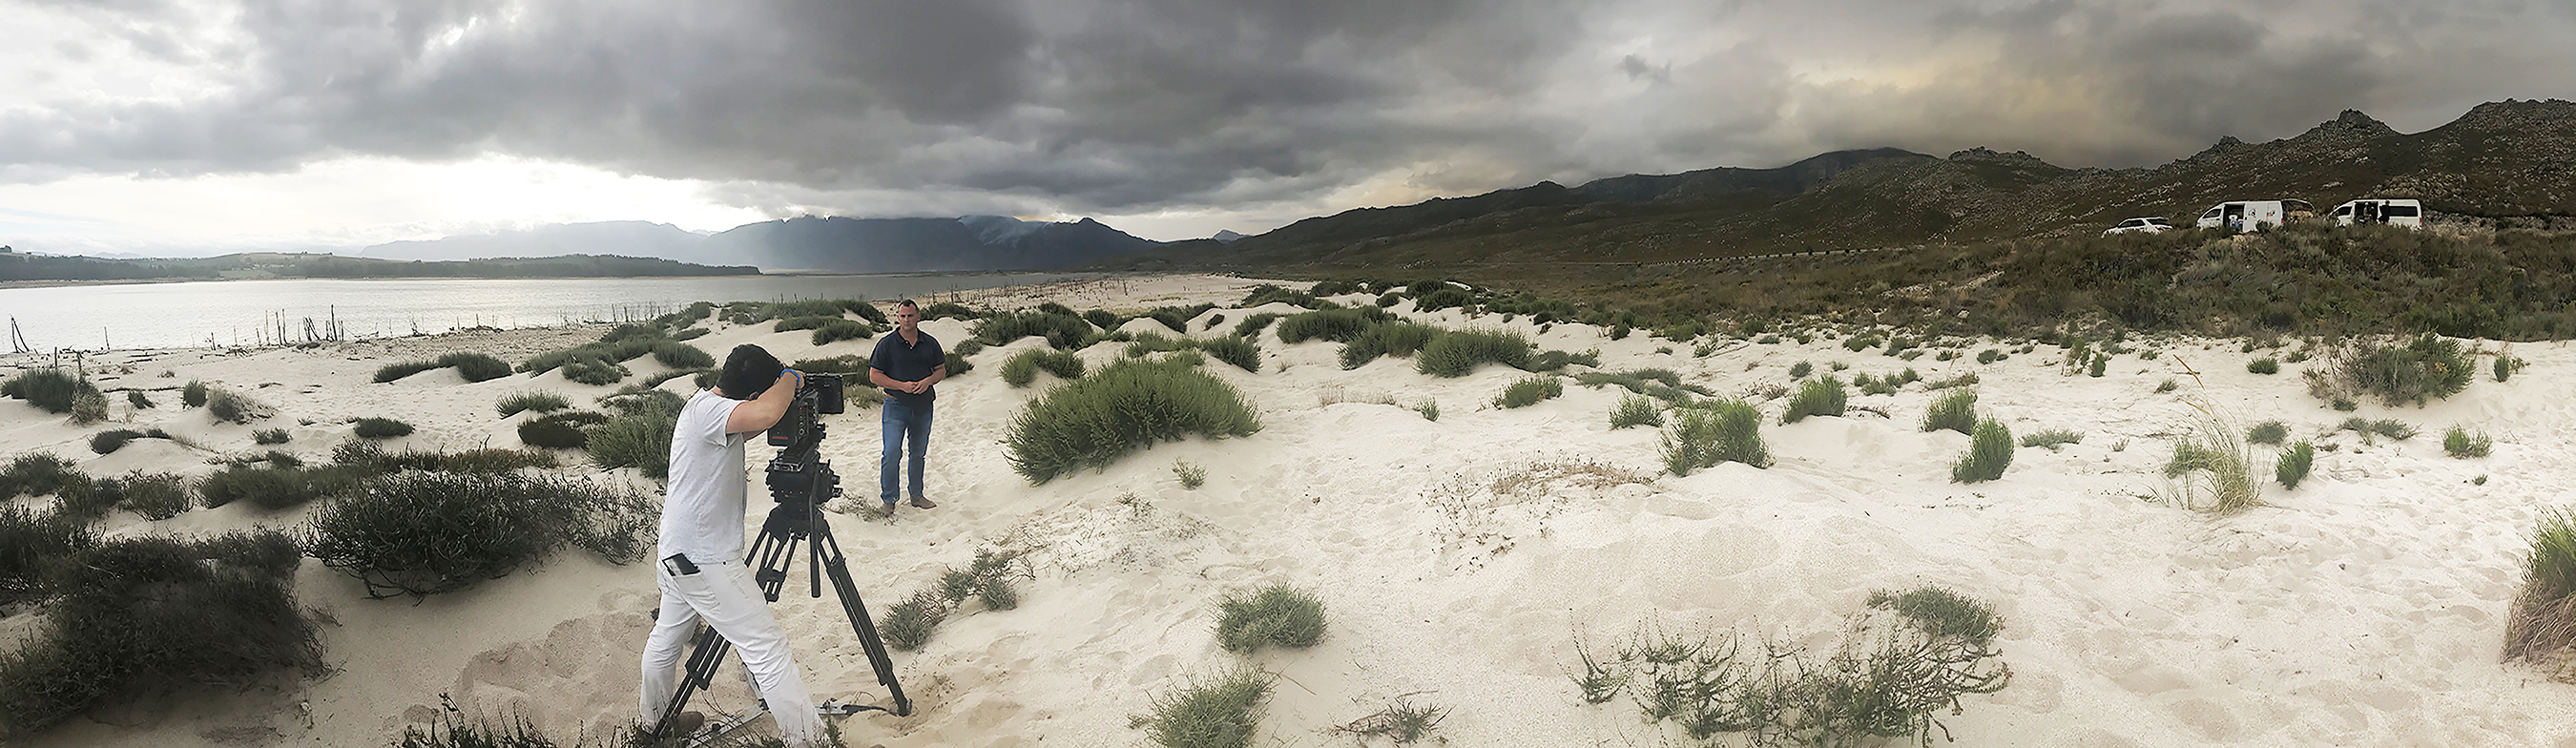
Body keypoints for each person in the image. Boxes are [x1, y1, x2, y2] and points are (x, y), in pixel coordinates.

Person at [638, 344, 824, 745]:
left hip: (677, 551)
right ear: (753, 394)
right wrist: (792, 379)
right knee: (767, 647)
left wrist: (783, 393)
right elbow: (767, 414)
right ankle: (810, 741)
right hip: (705, 560)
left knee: (668, 636)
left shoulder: (703, 407)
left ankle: (653, 725)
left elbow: (756, 421)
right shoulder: (709, 414)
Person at [868, 300, 945, 516]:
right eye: (902, 316)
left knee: (918, 453)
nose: (906, 320)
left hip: (923, 406)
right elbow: (874, 375)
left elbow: (940, 370)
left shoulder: (929, 343)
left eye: (910, 316)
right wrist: (901, 385)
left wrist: (928, 381)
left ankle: (917, 496)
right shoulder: (887, 344)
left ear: (918, 317)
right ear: (898, 317)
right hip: (895, 405)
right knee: (891, 452)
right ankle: (889, 500)